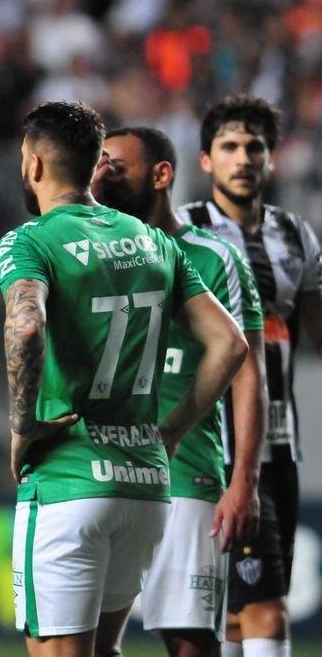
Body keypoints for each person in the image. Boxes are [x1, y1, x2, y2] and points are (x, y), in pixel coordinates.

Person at [0, 101, 248, 657]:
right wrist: (172, 430)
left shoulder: (29, 242)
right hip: (145, 486)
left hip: (67, 484)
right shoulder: (155, 242)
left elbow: (27, 325)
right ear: (93, 167)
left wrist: (23, 426)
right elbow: (230, 344)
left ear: (34, 164)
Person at [94, 127, 266, 657]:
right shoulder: (91, 251)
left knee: (189, 641)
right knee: (87, 641)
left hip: (185, 471)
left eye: (115, 168)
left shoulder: (215, 258)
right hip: (99, 468)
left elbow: (247, 371)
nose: (102, 178)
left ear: (161, 175)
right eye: (97, 167)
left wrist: (244, 481)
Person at [179, 95, 322, 657]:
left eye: (255, 147)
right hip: (212, 447)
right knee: (263, 606)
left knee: (240, 613)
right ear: (206, 160)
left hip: (280, 445)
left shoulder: (297, 236)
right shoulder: (183, 232)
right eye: (230, 146)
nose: (243, 158)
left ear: (272, 158)